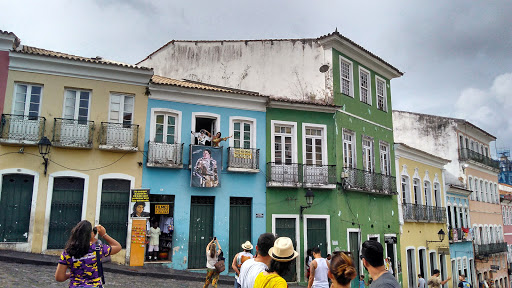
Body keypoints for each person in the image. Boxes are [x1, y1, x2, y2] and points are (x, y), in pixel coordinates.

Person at [55, 220, 122, 287]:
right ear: (91, 234)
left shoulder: (67, 252)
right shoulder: (98, 249)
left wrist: (72, 273)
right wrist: (104, 234)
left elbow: (59, 277)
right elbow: (118, 247)